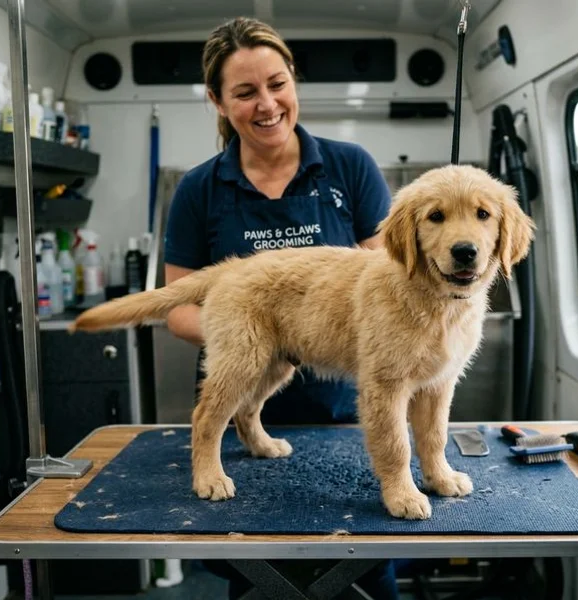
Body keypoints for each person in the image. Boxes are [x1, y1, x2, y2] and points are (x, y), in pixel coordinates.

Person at [162, 16, 399, 600]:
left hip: (349, 418)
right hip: (249, 397)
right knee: (257, 581)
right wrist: (249, 335)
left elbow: (389, 285)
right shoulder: (199, 189)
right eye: (245, 92)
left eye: (277, 83)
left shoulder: (350, 167)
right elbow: (176, 307)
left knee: (367, 575)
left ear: (293, 80)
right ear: (218, 101)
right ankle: (232, 436)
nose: (266, 104)